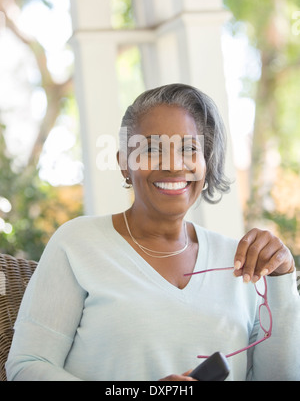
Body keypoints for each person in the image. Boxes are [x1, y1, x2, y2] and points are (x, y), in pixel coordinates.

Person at [6, 83, 300, 381]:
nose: (173, 165)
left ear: (205, 163)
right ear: (123, 163)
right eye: (151, 149)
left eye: (189, 149)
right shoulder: (77, 244)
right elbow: (27, 365)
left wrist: (281, 278)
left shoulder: (240, 261)